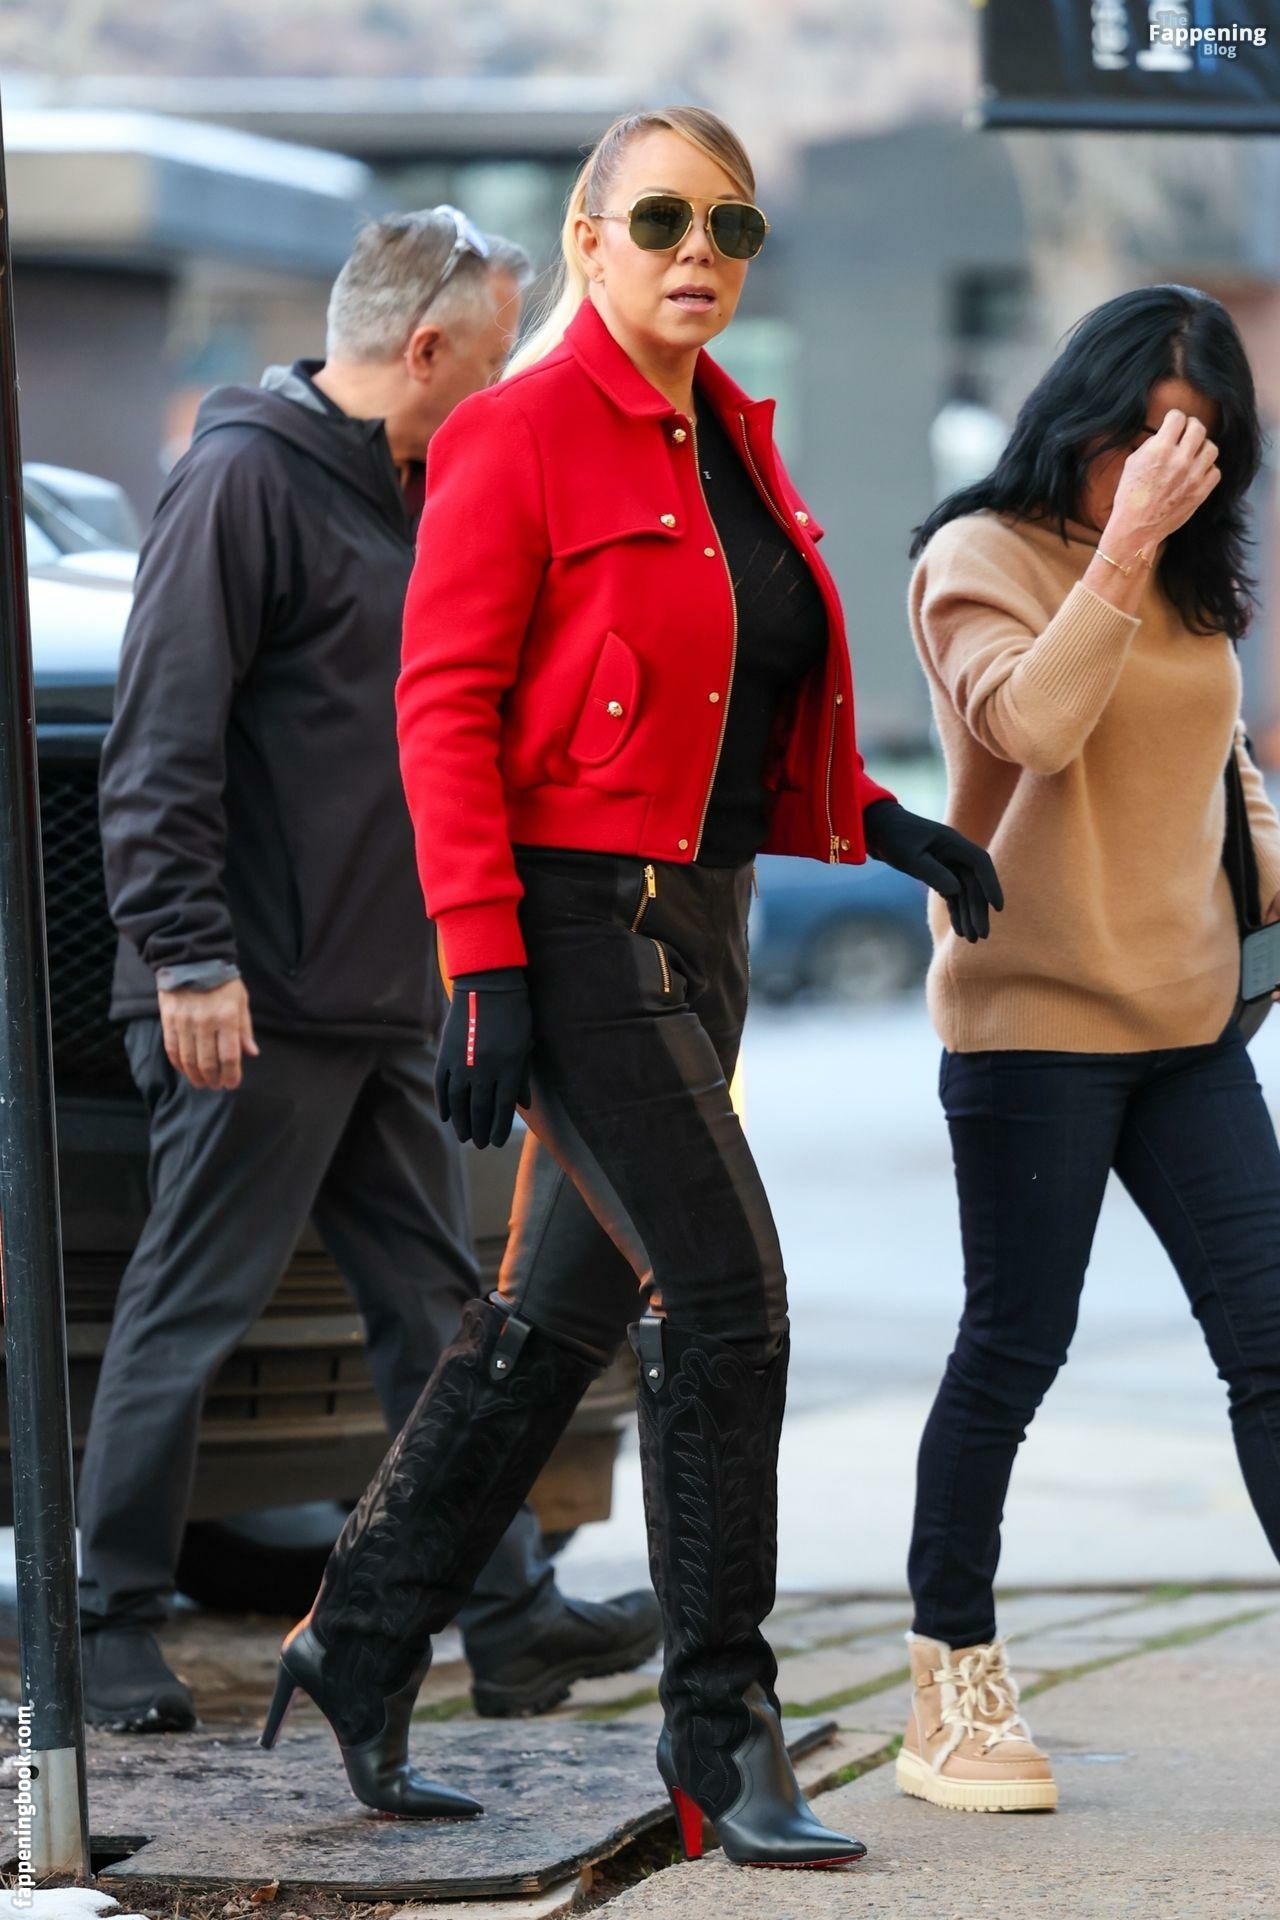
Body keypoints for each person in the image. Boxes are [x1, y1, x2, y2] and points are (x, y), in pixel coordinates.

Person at [261, 106, 1001, 1863]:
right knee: (731, 1300)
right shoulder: (515, 434)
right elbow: (441, 709)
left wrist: (875, 820)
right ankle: (720, 1733)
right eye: (661, 218)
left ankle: (358, 1640)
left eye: (732, 226)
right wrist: (485, 963)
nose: (698, 253)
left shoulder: (730, 435)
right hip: (574, 927)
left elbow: (726, 700)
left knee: (549, 1328)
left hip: (705, 927)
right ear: (589, 240)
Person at [83, 206, 659, 1735]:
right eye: (496, 354)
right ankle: (109, 1621)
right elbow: (158, 744)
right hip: (246, 998)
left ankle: (508, 1614)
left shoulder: (410, 494)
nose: (507, 380)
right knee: (192, 1305)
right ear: (425, 348)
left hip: (377, 995)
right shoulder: (242, 480)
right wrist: (187, 955)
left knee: (437, 1314)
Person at [896, 284, 1280, 1814]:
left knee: (1273, 1343)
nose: (1163, 466)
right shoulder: (976, 557)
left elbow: (1215, 770)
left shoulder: (1188, 574)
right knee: (1015, 1346)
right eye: (1140, 432)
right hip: (1035, 1025)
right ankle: (949, 1685)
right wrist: (1122, 552)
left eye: (1197, 441)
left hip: (1189, 1025)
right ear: (1081, 414)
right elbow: (1034, 729)